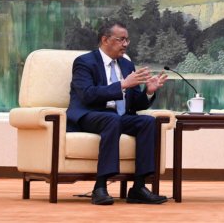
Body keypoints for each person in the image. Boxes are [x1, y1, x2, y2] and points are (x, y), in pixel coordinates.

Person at [67, 20, 169, 205]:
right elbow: (87, 95)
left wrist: (148, 91)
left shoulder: (127, 65)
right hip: (89, 114)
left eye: (127, 40)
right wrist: (122, 84)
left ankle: (139, 187)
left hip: (118, 117)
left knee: (147, 122)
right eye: (121, 39)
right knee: (111, 119)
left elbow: (134, 105)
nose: (125, 44)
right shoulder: (84, 62)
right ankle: (100, 187)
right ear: (105, 40)